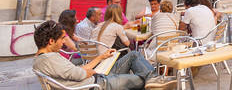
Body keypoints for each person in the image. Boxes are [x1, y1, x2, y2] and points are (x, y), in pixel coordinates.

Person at [33, 20, 173, 89]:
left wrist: (101, 58)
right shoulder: (49, 59)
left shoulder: (43, 58)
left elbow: (76, 72)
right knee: (143, 81)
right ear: (51, 41)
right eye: (61, 39)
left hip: (96, 78)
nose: (63, 42)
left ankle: (154, 78)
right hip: (97, 85)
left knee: (134, 55)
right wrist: (91, 72)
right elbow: (80, 74)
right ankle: (154, 79)